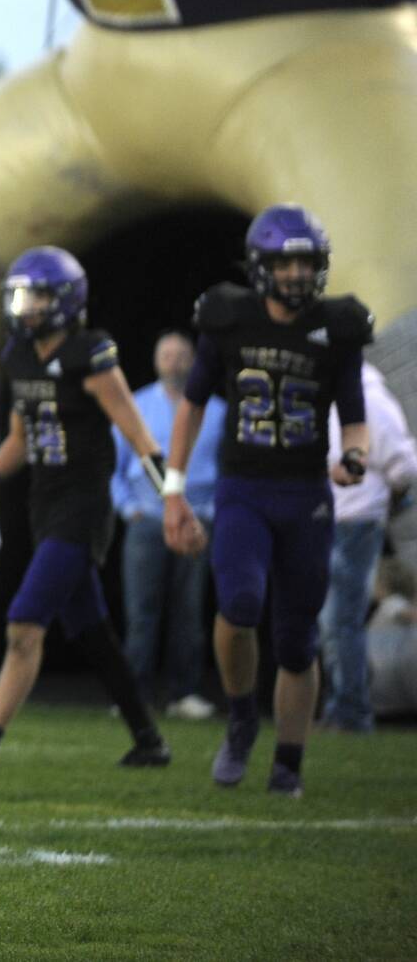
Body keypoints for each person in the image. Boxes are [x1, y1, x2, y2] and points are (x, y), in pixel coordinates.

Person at [0, 248, 172, 770]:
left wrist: (173, 498)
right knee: (92, 631)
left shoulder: (91, 355)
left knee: (24, 624)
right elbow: (23, 435)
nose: (26, 306)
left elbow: (138, 432)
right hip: (45, 503)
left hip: (83, 507)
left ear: (65, 300)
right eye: (21, 295)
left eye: (37, 295)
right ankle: (149, 739)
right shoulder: (19, 355)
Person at [164, 206, 374, 794]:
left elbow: (353, 418)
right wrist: (174, 490)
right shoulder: (229, 319)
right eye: (286, 261)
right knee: (240, 602)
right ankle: (239, 721)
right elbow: (193, 405)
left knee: (297, 638)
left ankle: (288, 760)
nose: (297, 272)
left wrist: (354, 457)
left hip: (306, 493)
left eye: (307, 260)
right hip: (245, 489)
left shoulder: (338, 327)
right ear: (261, 265)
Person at [111, 331, 223, 719]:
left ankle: (184, 692)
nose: (173, 362)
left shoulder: (217, 411)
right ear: (156, 360)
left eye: (181, 355)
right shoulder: (136, 406)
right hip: (147, 520)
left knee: (189, 612)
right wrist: (128, 509)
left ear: (193, 361)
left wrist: (210, 512)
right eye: (166, 354)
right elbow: (115, 467)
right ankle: (134, 695)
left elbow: (229, 468)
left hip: (196, 521)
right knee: (141, 611)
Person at [321, 362, 417, 732]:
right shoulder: (329, 397)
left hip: (357, 522)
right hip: (324, 521)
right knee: (329, 623)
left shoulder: (371, 400)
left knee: (341, 622)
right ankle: (341, 707)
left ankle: (352, 712)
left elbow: (405, 467)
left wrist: (385, 503)